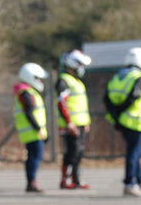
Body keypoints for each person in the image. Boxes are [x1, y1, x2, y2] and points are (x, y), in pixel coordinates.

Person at [104, 47, 141, 197]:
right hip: (135, 121)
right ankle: (130, 183)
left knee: (135, 151)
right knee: (133, 152)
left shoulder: (118, 76)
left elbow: (106, 97)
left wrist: (115, 114)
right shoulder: (139, 77)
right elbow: (132, 98)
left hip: (121, 121)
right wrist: (121, 111)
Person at [57, 49, 93, 189]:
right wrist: (69, 122)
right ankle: (65, 179)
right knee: (73, 152)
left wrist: (86, 122)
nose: (82, 68)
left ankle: (76, 179)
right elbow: (62, 102)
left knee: (79, 151)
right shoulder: (64, 81)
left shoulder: (77, 82)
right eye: (80, 64)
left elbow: (80, 105)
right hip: (71, 125)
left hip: (80, 123)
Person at [14, 63, 49, 193]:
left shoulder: (28, 91)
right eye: (37, 78)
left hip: (31, 131)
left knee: (33, 156)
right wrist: (38, 128)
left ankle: (31, 181)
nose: (39, 81)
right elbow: (29, 112)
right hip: (32, 131)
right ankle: (32, 182)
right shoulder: (26, 93)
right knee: (36, 156)